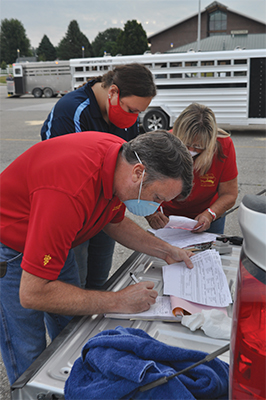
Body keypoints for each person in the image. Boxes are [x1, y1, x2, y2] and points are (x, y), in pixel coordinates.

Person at [0, 130, 194, 385]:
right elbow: (33, 293)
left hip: (58, 238)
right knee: (28, 347)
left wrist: (167, 250)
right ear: (139, 172)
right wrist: (118, 301)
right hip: (13, 248)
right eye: (157, 198)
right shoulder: (69, 192)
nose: (157, 207)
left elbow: (113, 221)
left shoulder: (120, 162)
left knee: (72, 329)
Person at [41, 63, 157, 290]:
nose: (134, 118)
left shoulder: (126, 118)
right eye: (132, 110)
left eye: (139, 112)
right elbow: (69, 174)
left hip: (105, 209)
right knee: (74, 284)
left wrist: (149, 205)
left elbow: (133, 164)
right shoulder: (72, 111)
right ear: (113, 92)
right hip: (74, 214)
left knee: (99, 281)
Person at [146, 103, 238, 234]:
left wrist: (210, 214)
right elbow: (142, 187)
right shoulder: (162, 144)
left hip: (209, 215)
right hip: (168, 218)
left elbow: (229, 194)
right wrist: (152, 213)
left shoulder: (224, 145)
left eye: (199, 146)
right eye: (187, 144)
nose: (192, 150)